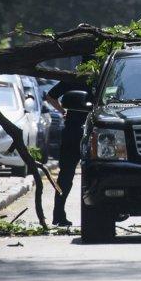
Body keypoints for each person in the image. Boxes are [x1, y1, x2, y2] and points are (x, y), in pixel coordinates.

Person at [45, 78, 91, 226]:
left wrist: (62, 111)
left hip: (96, 129)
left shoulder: (78, 76)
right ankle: (58, 212)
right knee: (65, 175)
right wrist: (63, 111)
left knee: (66, 175)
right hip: (75, 130)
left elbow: (50, 96)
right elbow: (50, 95)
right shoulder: (77, 78)